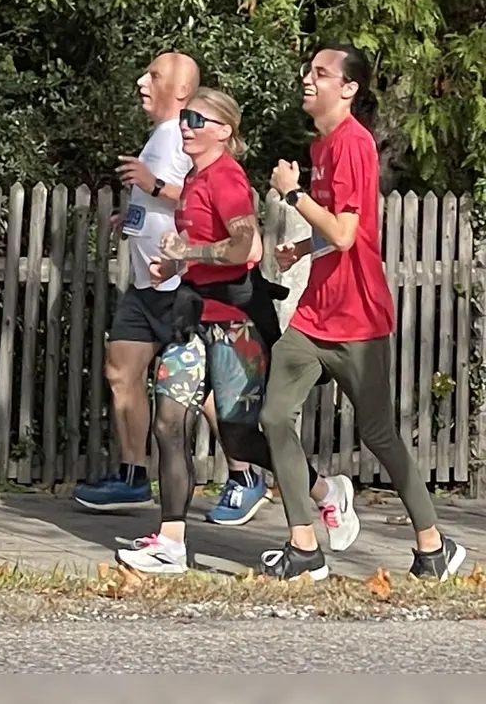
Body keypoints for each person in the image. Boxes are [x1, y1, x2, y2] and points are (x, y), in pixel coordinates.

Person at [115, 88, 354, 574]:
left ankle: (326, 491)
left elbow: (247, 248)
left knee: (240, 439)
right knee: (168, 420)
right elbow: (206, 249)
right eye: (184, 117)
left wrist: (189, 255)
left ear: (224, 131)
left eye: (197, 119)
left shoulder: (226, 178)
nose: (185, 125)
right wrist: (173, 265)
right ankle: (171, 543)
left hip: (234, 327)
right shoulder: (196, 175)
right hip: (192, 317)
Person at [258, 44, 467, 581]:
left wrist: (293, 194)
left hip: (358, 320)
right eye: (308, 71)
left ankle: (433, 546)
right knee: (274, 417)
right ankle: (305, 549)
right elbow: (343, 230)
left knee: (378, 435)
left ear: (348, 88)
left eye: (321, 74)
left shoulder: (353, 144)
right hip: (313, 317)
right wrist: (303, 249)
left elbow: (348, 234)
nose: (308, 79)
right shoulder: (323, 144)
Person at [73, 52, 268, 524]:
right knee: (121, 370)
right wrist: (133, 216)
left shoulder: (187, 139)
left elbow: (200, 198)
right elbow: (173, 204)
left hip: (181, 287)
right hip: (149, 279)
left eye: (154, 75)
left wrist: (154, 185)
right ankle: (133, 474)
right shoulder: (163, 135)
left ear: (182, 91)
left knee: (202, 392)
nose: (142, 80)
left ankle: (246, 475)